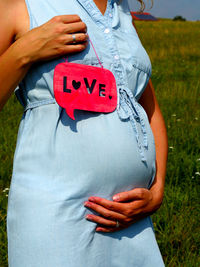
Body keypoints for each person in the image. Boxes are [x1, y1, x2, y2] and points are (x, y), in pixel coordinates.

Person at [0, 0, 168, 266]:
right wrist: (24, 52)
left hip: (132, 220)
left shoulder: (121, 14)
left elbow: (149, 108)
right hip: (56, 218)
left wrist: (157, 189)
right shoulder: (18, 6)